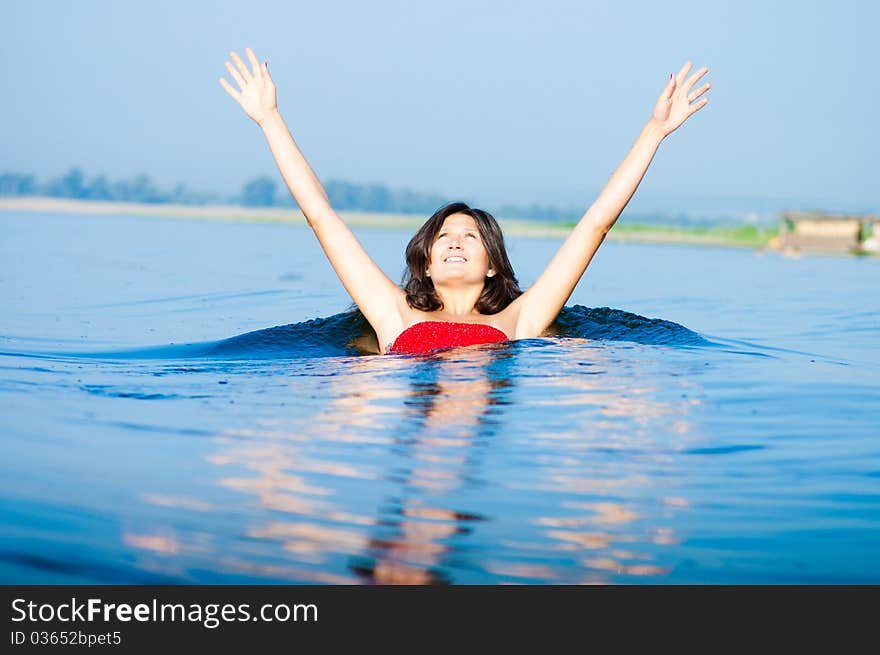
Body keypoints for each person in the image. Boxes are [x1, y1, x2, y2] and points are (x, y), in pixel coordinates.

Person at [219, 48, 709, 355]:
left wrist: (654, 132)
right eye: (444, 237)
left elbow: (595, 225)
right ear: (425, 263)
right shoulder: (393, 313)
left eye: (470, 236)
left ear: (493, 264)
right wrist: (270, 121)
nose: (454, 242)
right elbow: (321, 218)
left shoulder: (521, 319)